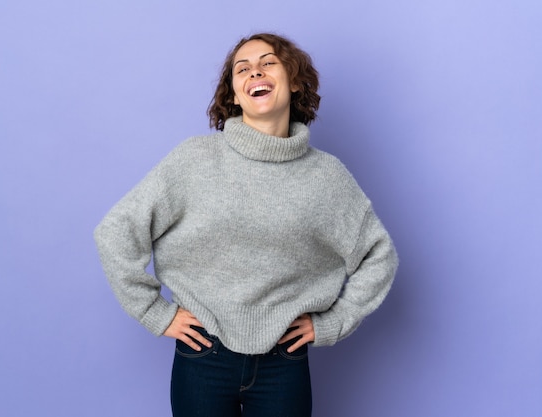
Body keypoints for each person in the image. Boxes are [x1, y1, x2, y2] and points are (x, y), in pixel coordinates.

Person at [94, 32, 398, 417]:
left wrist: (334, 322)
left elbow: (377, 255)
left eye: (268, 62)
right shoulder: (194, 161)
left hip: (283, 363)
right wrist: (156, 313)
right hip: (202, 356)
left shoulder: (326, 176)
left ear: (294, 82)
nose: (255, 71)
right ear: (235, 95)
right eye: (243, 68)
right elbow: (116, 231)